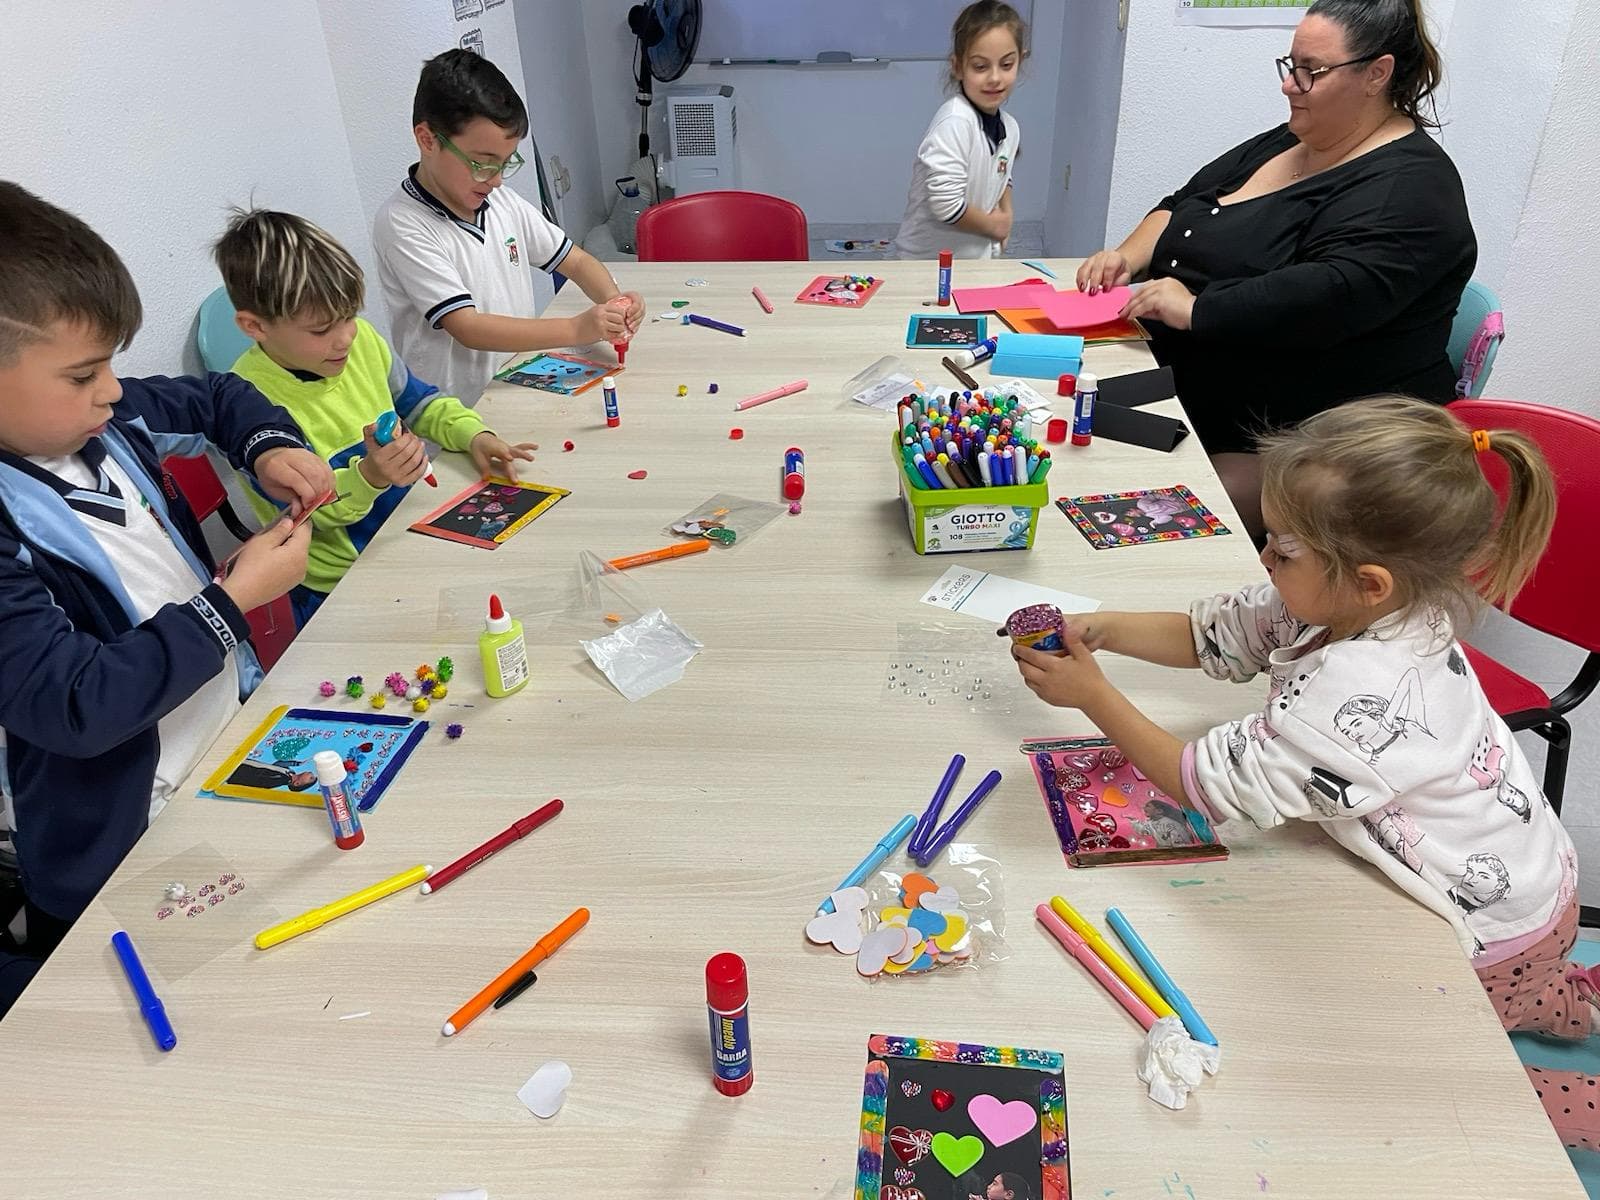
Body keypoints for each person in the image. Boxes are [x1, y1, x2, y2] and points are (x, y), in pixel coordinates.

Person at [1010, 395, 1600, 1148]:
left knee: (1444, 1080)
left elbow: (1204, 784)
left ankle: (1574, 1097)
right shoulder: (1351, 601)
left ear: (1370, 581)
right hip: (1536, 879)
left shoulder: (1361, 685)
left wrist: (1093, 697)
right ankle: (1571, 1004)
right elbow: (1212, 634)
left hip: (1494, 927)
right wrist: (1105, 630)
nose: (1264, 558)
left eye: (1283, 551)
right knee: (1531, 990)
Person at [0, 183, 331, 1014]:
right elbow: (76, 702)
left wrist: (269, 448)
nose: (112, 390)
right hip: (130, 837)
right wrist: (229, 606)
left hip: (226, 748)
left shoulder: (103, 424)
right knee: (238, 1012)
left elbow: (220, 397)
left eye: (111, 362)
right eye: (83, 374)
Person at [1077, 0, 1475, 539]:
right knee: (1061, 428)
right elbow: (1185, 202)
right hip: (1197, 387)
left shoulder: (1414, 191)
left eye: (1312, 72)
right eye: (1291, 66)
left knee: (1120, 515)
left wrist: (1197, 308)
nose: (1291, 85)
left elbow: (1322, 298)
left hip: (1314, 442)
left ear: (1376, 73)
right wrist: (1128, 257)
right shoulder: (1296, 136)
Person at [215, 208, 538, 627]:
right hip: (338, 586)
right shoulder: (247, 407)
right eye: (321, 329)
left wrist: (473, 434)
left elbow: (421, 404)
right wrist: (370, 475)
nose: (346, 337)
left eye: (350, 316)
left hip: (408, 531)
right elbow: (318, 514)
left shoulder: (360, 341)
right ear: (254, 326)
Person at [373, 50, 646, 407]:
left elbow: (576, 262)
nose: (497, 180)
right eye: (482, 163)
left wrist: (614, 304)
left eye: (506, 163)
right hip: (453, 416)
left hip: (515, 386)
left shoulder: (500, 202)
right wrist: (578, 329)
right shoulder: (403, 223)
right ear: (427, 139)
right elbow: (468, 327)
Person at [894, 1, 1026, 260]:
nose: (995, 78)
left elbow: (1002, 172)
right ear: (957, 67)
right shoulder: (955, 122)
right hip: (924, 263)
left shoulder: (1010, 127)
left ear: (1021, 60)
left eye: (1007, 64)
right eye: (980, 66)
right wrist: (995, 226)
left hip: (974, 262)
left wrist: (1006, 213)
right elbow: (947, 206)